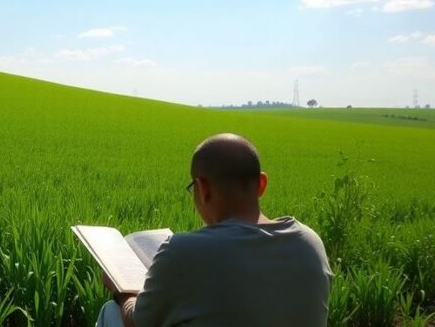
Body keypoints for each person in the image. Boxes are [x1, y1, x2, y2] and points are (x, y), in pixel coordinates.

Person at [96, 133, 333, 327]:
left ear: (202, 189)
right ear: (261, 184)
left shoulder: (183, 252)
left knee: (111, 313)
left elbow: (137, 322)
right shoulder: (310, 242)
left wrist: (122, 292)